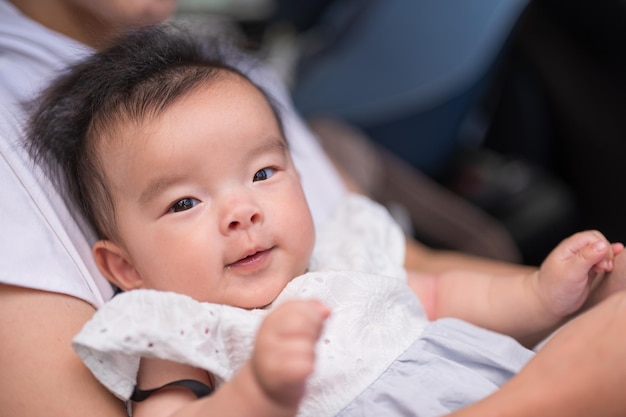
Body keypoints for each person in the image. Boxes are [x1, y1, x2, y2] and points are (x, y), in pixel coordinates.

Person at [2, 1, 626, 417]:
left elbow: (437, 289)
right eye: (186, 202)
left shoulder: (340, 258)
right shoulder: (183, 334)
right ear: (125, 268)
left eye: (266, 173)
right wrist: (253, 395)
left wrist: (547, 297)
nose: (242, 212)